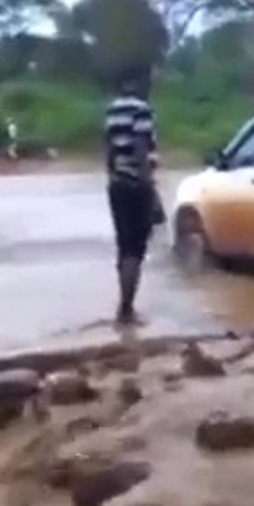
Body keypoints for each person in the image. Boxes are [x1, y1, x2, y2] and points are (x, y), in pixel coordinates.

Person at [104, 64, 160, 326]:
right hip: (137, 186)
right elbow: (140, 149)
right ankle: (126, 310)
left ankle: (124, 307)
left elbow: (108, 149)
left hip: (117, 185)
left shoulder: (112, 110)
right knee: (135, 250)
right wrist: (151, 189)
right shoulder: (141, 110)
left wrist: (113, 174)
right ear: (138, 81)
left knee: (123, 247)